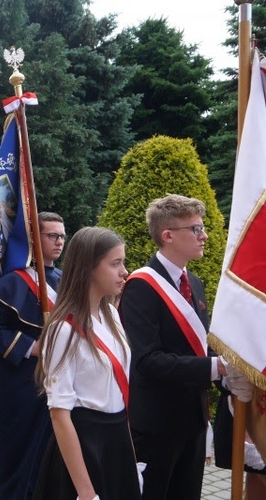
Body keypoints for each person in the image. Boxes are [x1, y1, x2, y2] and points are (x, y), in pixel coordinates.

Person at [119, 194, 225, 500]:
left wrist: (229, 370)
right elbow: (147, 360)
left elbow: (202, 345)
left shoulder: (195, 281)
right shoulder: (141, 286)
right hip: (157, 424)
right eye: (195, 229)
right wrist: (213, 368)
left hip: (192, 419)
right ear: (168, 235)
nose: (204, 235)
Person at [32, 226, 140, 500]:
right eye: (115, 264)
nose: (124, 272)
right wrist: (86, 492)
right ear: (89, 267)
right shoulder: (62, 330)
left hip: (117, 442)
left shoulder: (112, 317)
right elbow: (59, 414)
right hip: (84, 446)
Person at [0, 211, 65, 499]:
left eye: (62, 236)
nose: (59, 241)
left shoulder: (65, 279)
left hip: (61, 380)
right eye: (52, 235)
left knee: (53, 450)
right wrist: (32, 347)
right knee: (20, 447)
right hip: (22, 381)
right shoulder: (12, 282)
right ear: (34, 239)